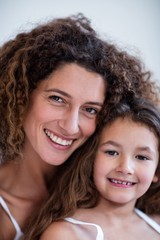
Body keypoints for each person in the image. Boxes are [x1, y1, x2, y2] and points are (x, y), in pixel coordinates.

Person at [0, 13, 159, 239]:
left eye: (90, 109)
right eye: (57, 99)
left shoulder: (121, 188)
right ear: (22, 95)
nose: (71, 126)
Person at [25, 97, 160, 239]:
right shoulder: (66, 234)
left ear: (156, 171)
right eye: (111, 152)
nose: (125, 168)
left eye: (142, 157)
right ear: (91, 159)